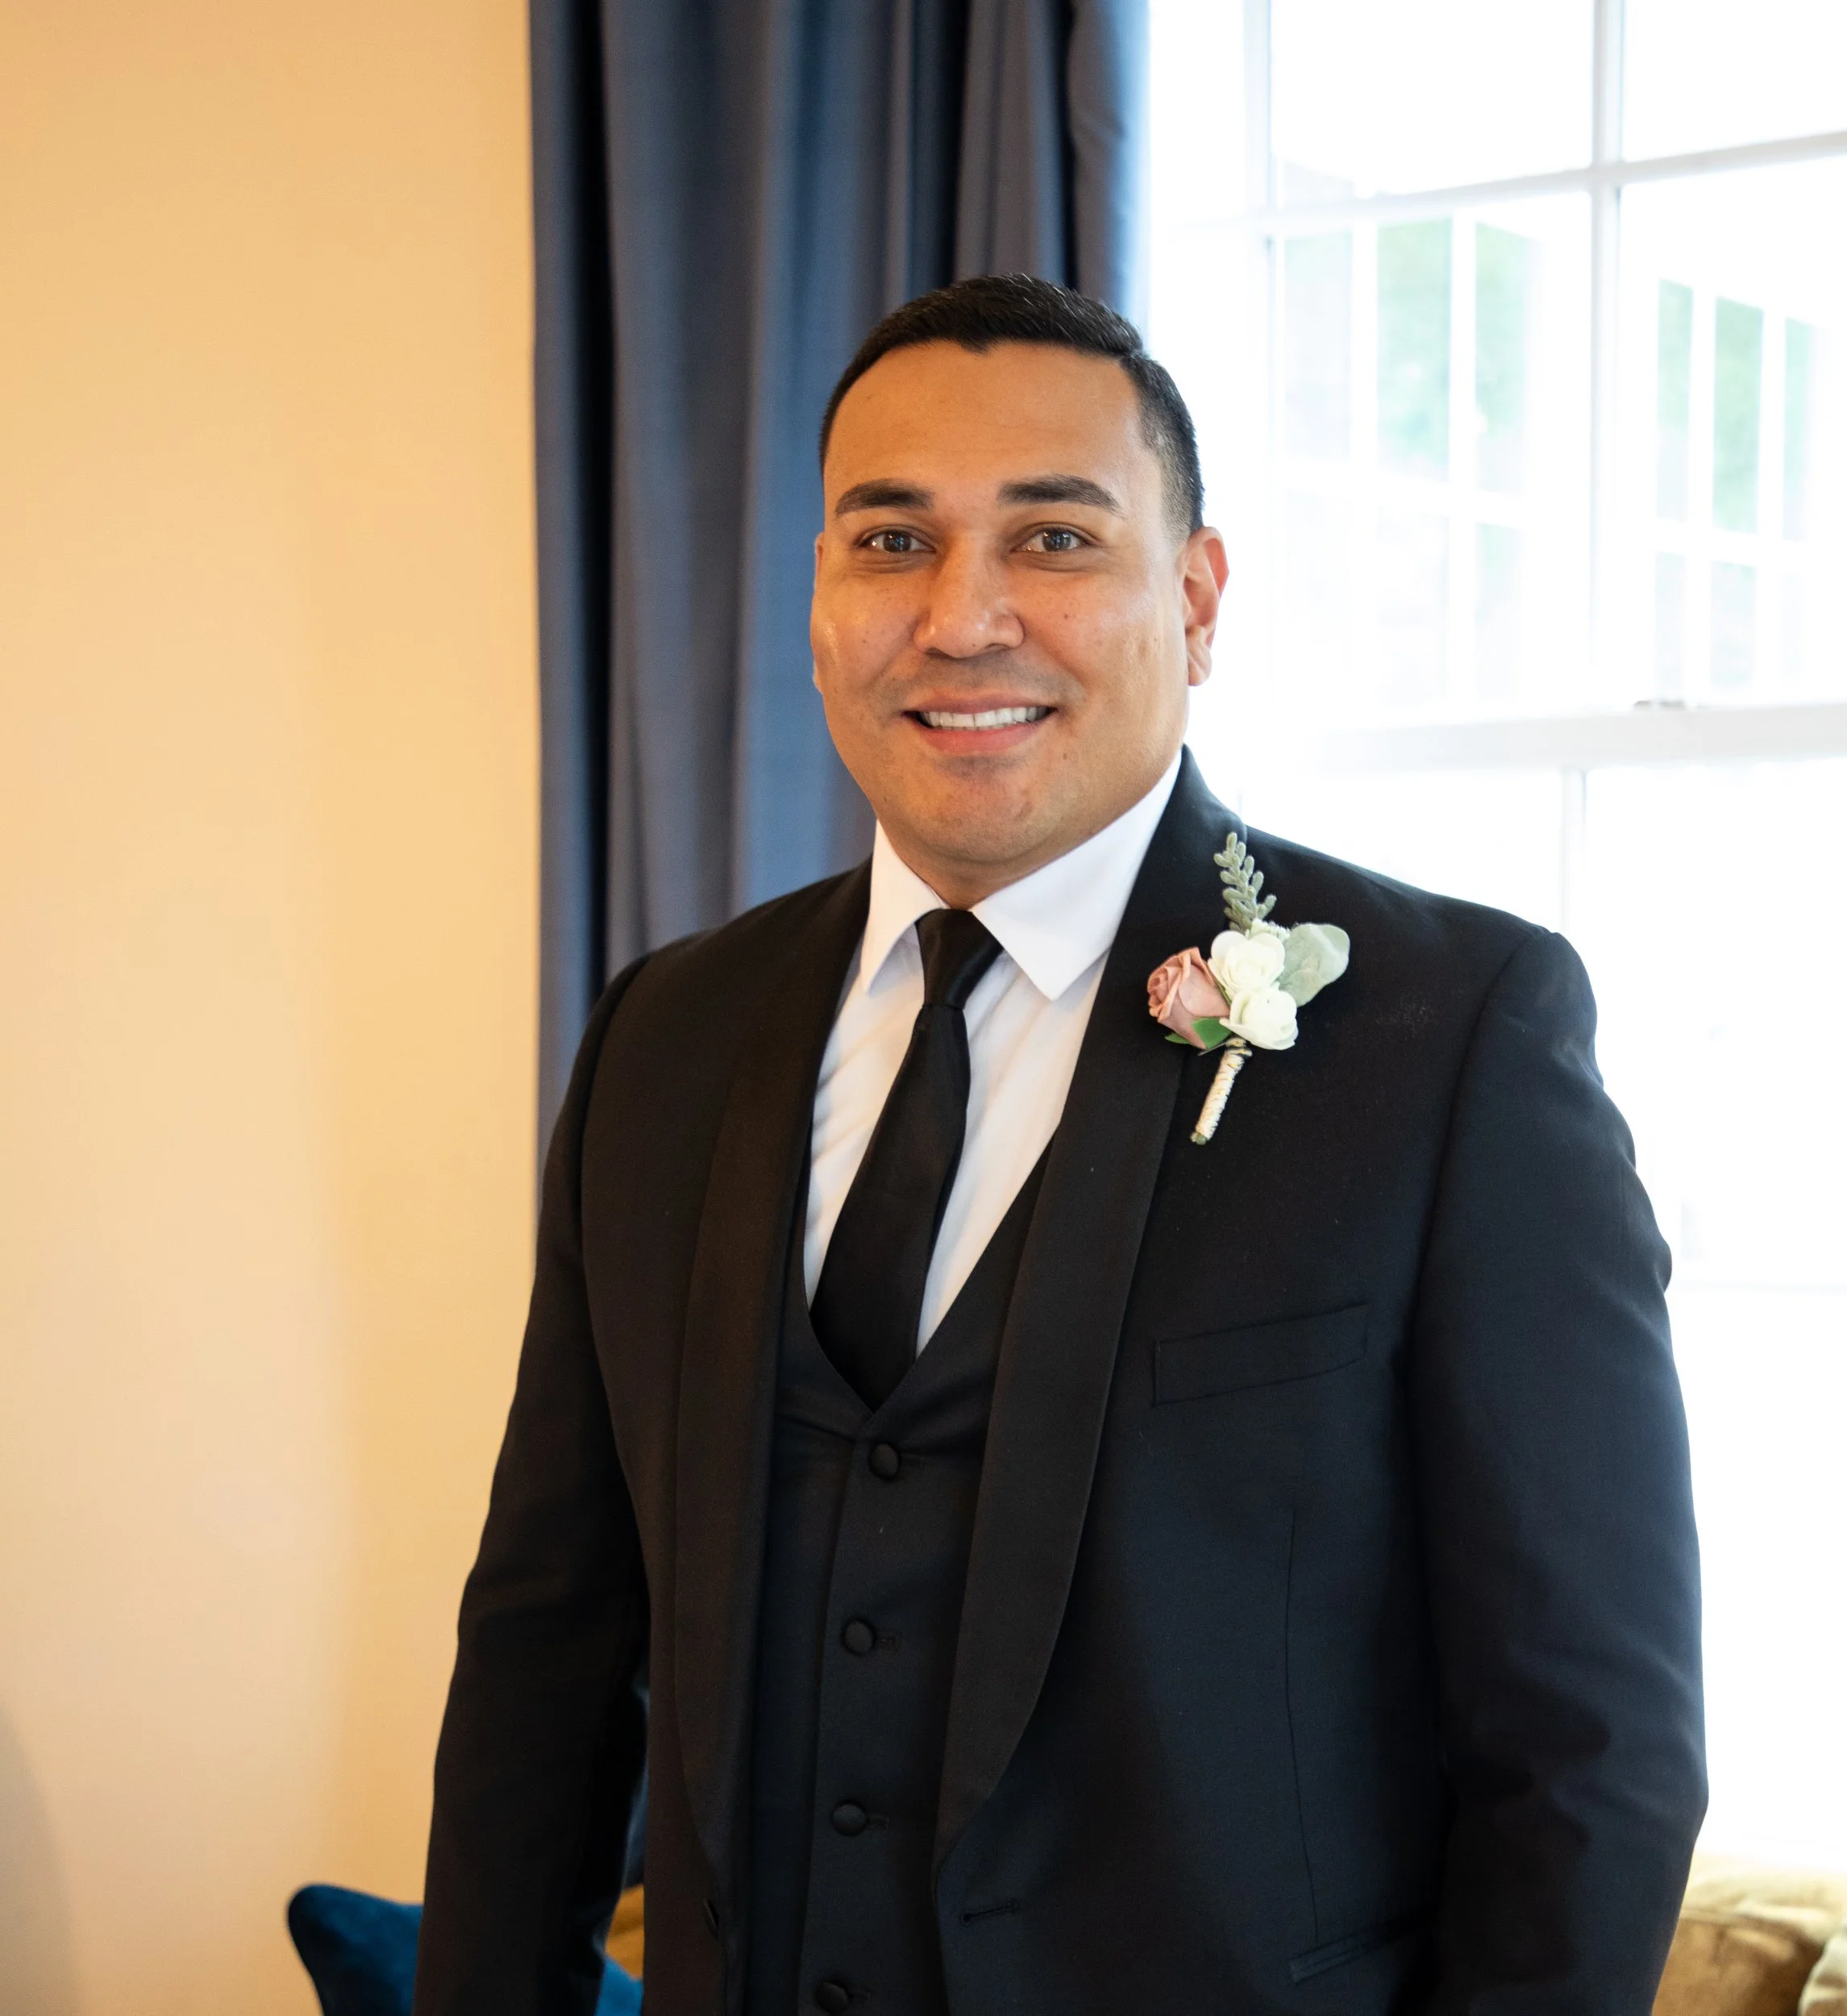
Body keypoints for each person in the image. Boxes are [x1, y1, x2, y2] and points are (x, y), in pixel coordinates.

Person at [413, 273, 1706, 2016]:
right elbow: (545, 1655)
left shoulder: (1453, 1034)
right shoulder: (662, 1036)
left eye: (1052, 539)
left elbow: (1590, 1744)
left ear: (1191, 595)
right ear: (815, 595)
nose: (961, 618)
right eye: (888, 542)